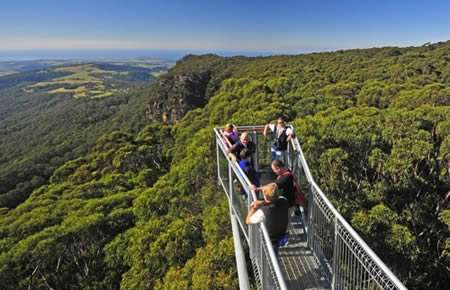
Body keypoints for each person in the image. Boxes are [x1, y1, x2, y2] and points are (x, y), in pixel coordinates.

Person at [245, 183, 289, 253]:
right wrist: (262, 202)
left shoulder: (263, 212)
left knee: (272, 260)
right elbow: (273, 201)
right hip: (281, 235)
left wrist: (253, 208)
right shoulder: (284, 201)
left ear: (265, 195)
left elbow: (247, 221)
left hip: (269, 241)